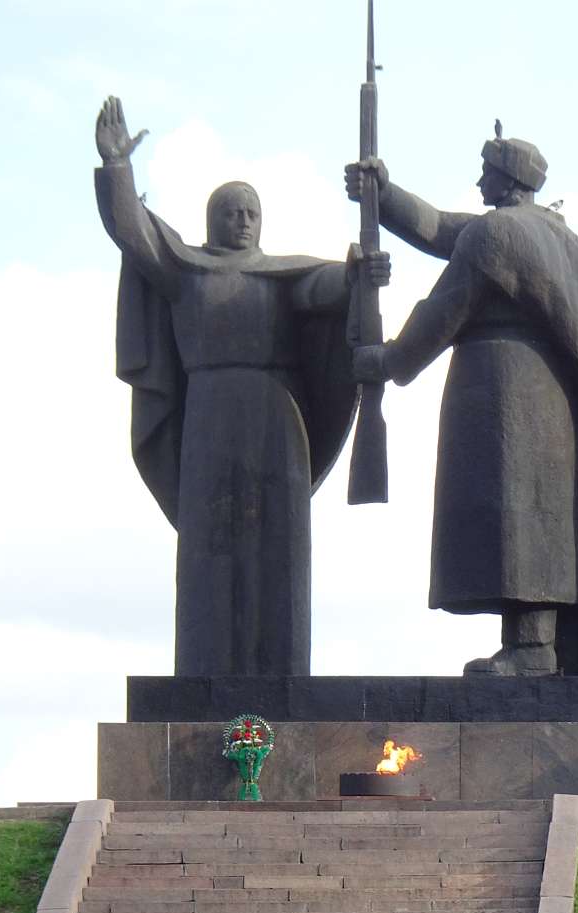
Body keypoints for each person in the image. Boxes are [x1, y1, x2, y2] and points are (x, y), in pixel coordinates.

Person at [345, 131, 578, 678]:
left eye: (486, 172)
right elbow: (441, 228)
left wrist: (386, 362)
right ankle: (537, 645)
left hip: (506, 386)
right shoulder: (545, 232)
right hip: (540, 390)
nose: (479, 181)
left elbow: (444, 308)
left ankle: (531, 649)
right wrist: (383, 192)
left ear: (509, 179)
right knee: (529, 516)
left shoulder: (497, 235)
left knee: (517, 519)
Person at [94, 98, 388, 680]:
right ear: (212, 221)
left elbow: (324, 289)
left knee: (280, 547)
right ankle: (204, 671)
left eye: (251, 211)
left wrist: (360, 270)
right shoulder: (186, 271)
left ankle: (282, 670)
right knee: (208, 546)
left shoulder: (282, 277)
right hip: (208, 416)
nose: (244, 220)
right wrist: (116, 169)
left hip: (277, 419)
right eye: (232, 211)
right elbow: (134, 233)